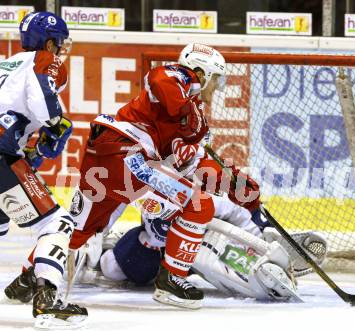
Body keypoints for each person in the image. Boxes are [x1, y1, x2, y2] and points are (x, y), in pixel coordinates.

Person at [66, 43, 260, 309]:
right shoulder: (178, 81)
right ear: (200, 73)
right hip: (127, 157)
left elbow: (193, 160)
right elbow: (158, 79)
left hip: (123, 166)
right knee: (197, 206)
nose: (217, 87)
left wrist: (229, 180)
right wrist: (185, 109)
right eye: (215, 78)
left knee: (80, 229)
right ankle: (171, 280)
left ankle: (35, 275)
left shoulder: (196, 117)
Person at [0, 12, 87, 328]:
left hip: (6, 151)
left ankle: (26, 284)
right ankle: (46, 300)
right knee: (58, 224)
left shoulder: (6, 63)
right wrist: (56, 121)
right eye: (58, 43)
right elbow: (43, 100)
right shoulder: (43, 61)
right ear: (49, 42)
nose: (60, 50)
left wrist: (30, 151)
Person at [79, 194, 327, 302]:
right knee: (111, 268)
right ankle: (109, 249)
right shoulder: (152, 178)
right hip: (158, 247)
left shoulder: (203, 193)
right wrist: (95, 232)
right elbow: (117, 198)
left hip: (204, 242)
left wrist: (259, 243)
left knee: (215, 260)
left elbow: (236, 213)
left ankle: (261, 266)